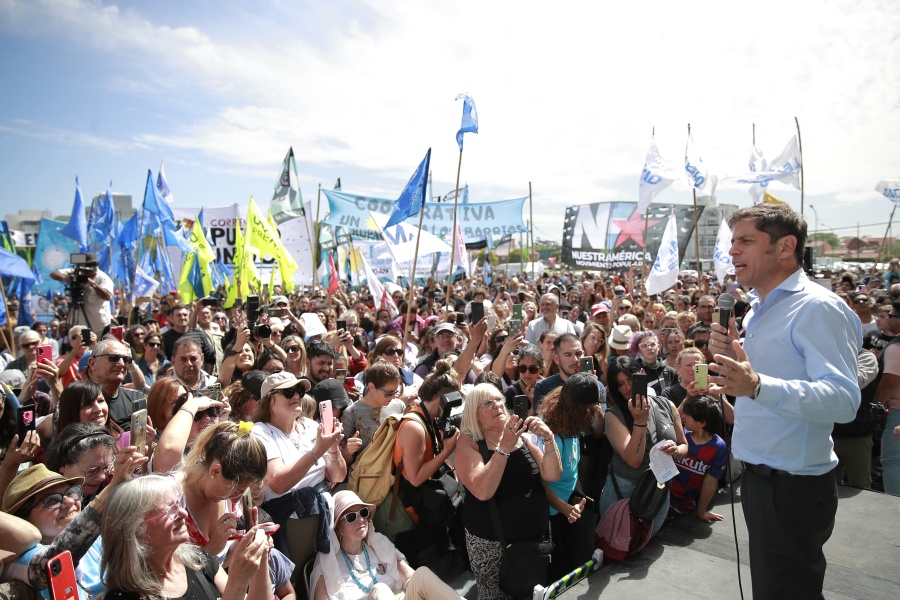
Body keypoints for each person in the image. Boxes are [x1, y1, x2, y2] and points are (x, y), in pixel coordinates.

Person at [707, 203, 861, 599]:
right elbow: (773, 382)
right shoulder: (759, 308)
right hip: (762, 481)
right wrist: (739, 371)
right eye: (733, 241)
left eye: (745, 241)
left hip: (792, 488)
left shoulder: (817, 308)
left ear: (785, 246)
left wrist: (757, 385)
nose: (732, 252)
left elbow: (844, 400)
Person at [454, 384, 561, 600]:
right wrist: (504, 447)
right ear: (474, 413)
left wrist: (549, 438)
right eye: (488, 403)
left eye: (499, 400)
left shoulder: (519, 436)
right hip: (495, 549)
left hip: (534, 542)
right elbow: (482, 491)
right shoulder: (469, 443)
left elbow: (552, 474)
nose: (498, 406)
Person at [100, 475, 273, 600]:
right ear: (137, 530)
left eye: (179, 504)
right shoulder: (125, 597)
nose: (183, 513)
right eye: (169, 511)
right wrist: (237, 581)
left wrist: (260, 554)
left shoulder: (197, 560)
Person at [309, 490, 462, 600]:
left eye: (363, 513)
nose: (360, 520)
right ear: (338, 528)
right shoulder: (327, 564)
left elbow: (409, 578)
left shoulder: (377, 544)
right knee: (380, 590)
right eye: (350, 517)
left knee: (421, 575)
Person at [600, 356, 688, 537]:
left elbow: (684, 445)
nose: (627, 388)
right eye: (620, 384)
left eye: (631, 380)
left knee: (646, 547)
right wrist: (640, 422)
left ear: (641, 374)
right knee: (619, 549)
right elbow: (633, 460)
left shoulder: (667, 405)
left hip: (659, 489)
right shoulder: (612, 416)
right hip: (625, 490)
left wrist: (677, 451)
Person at [391, 359, 462, 565]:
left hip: (426, 506)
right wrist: (447, 451)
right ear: (442, 398)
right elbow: (414, 478)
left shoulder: (431, 418)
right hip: (410, 512)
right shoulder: (415, 426)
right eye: (455, 399)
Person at [538, 373, 604, 581]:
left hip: (568, 511)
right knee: (556, 570)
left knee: (571, 565)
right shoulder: (546, 434)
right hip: (550, 515)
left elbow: (572, 468)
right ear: (574, 408)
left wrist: (579, 494)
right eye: (587, 409)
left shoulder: (573, 426)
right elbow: (540, 484)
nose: (591, 413)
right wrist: (565, 508)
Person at [251, 371, 345, 504]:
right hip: (291, 513)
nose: (296, 396)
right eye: (288, 392)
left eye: (300, 391)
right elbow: (278, 484)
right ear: (268, 400)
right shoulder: (260, 431)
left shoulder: (311, 425)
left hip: (323, 507)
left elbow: (338, 476)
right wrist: (318, 451)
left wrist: (333, 447)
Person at [668, 395, 728, 523]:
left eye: (688, 415)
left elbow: (710, 482)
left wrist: (702, 512)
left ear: (702, 423)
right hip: (661, 499)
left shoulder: (718, 447)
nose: (683, 416)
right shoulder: (681, 435)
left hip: (684, 506)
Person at [533, 333, 606, 416]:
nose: (575, 359)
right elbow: (541, 423)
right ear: (556, 359)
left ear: (583, 354)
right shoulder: (543, 387)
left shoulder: (597, 385)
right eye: (568, 355)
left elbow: (601, 424)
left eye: (578, 354)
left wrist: (592, 389)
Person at [86, 339, 147, 431]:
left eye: (126, 360)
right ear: (93, 363)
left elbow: (141, 439)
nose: (122, 364)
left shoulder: (137, 398)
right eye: (114, 358)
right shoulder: (77, 400)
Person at [50, 253, 114, 333]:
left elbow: (107, 296)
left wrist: (93, 284)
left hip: (98, 326)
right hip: (78, 324)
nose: (86, 272)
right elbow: (53, 274)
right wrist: (67, 278)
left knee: (98, 345)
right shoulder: (77, 272)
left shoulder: (103, 278)